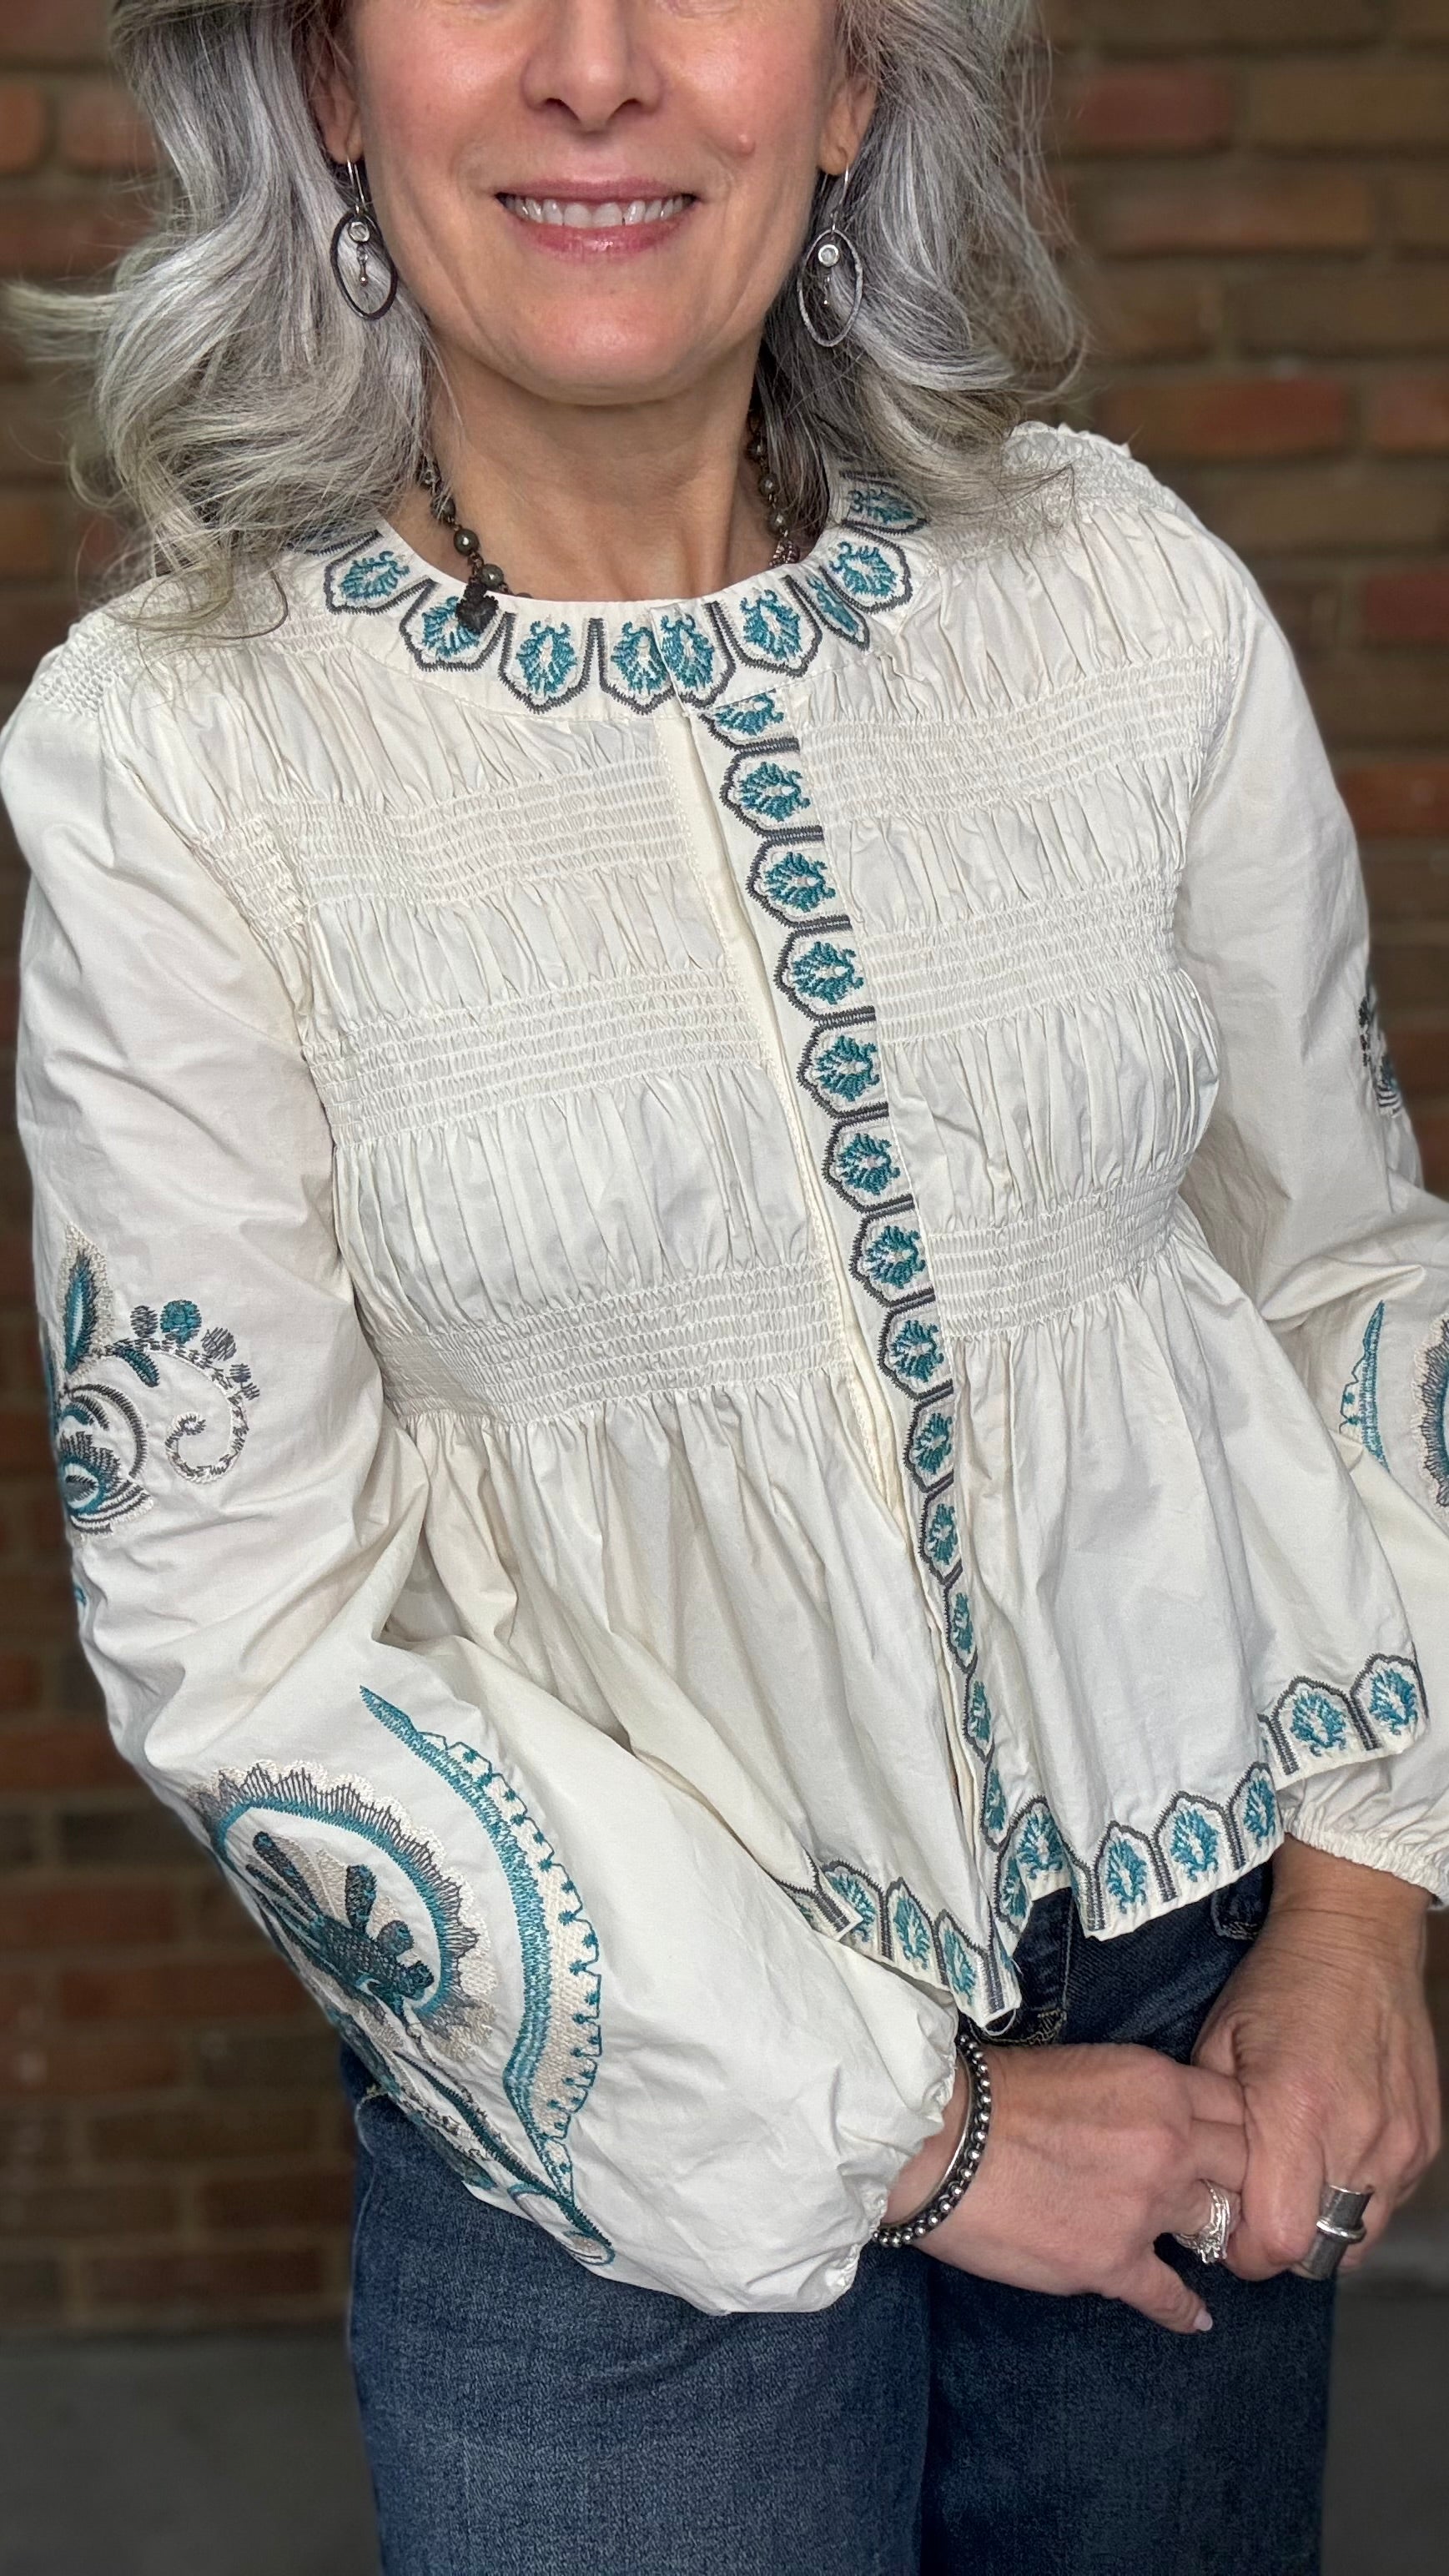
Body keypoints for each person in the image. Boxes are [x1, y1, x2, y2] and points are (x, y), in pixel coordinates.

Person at [3, 1, 1445, 2568]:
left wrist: (1354, 1905)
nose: (593, 69)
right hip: (601, 2137)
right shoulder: (174, 757)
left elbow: (1341, 1262)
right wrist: (919, 2128)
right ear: (329, 83)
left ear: (864, 79)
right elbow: (237, 1617)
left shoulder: (1117, 594)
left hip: (1201, 2002)